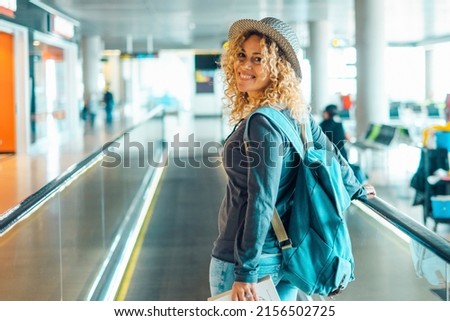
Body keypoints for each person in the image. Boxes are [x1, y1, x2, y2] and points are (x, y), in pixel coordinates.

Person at [209, 17, 376, 301]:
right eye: (242, 55)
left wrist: (245, 271)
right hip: (286, 253)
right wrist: (355, 186)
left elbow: (261, 200)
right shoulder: (295, 112)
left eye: (258, 59)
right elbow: (331, 152)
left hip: (249, 261)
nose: (244, 65)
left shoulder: (262, 122)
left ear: (278, 68)